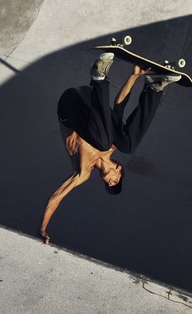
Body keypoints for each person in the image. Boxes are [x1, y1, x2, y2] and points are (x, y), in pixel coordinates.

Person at [38, 52, 179, 244]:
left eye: (108, 185)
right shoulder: (113, 146)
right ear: (118, 170)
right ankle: (153, 88)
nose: (110, 183)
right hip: (90, 97)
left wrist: (43, 228)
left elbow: (56, 198)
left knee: (103, 142)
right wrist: (134, 77)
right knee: (127, 145)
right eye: (115, 182)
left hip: (69, 107)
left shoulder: (82, 172)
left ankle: (99, 77)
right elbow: (118, 107)